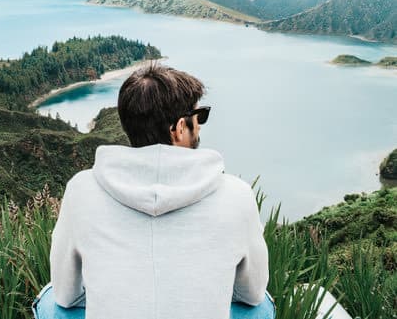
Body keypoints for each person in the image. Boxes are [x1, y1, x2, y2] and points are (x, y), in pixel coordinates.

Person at [44, 63, 272, 319]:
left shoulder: (81, 191)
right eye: (200, 116)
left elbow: (65, 294)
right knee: (262, 306)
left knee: (50, 301)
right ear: (177, 129)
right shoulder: (236, 196)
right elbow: (252, 293)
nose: (200, 126)